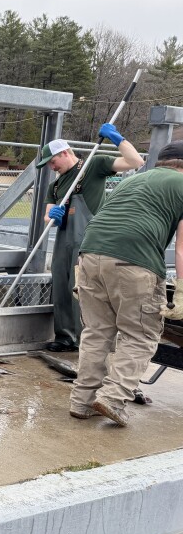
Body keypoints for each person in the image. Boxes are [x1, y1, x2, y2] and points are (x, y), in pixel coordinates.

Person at [69, 140, 183, 426]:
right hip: (134, 261)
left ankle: (82, 402)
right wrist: (181, 289)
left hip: (89, 256)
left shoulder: (131, 181)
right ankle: (113, 398)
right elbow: (182, 248)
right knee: (140, 335)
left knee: (97, 332)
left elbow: (106, 220)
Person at [40, 126, 144, 352]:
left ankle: (86, 339)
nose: (51, 166)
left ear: (65, 153)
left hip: (90, 240)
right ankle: (65, 337)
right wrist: (53, 218)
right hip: (63, 240)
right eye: (48, 164)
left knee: (82, 289)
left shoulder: (92, 167)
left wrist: (118, 139)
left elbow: (135, 162)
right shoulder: (55, 185)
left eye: (52, 161)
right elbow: (47, 215)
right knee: (61, 286)